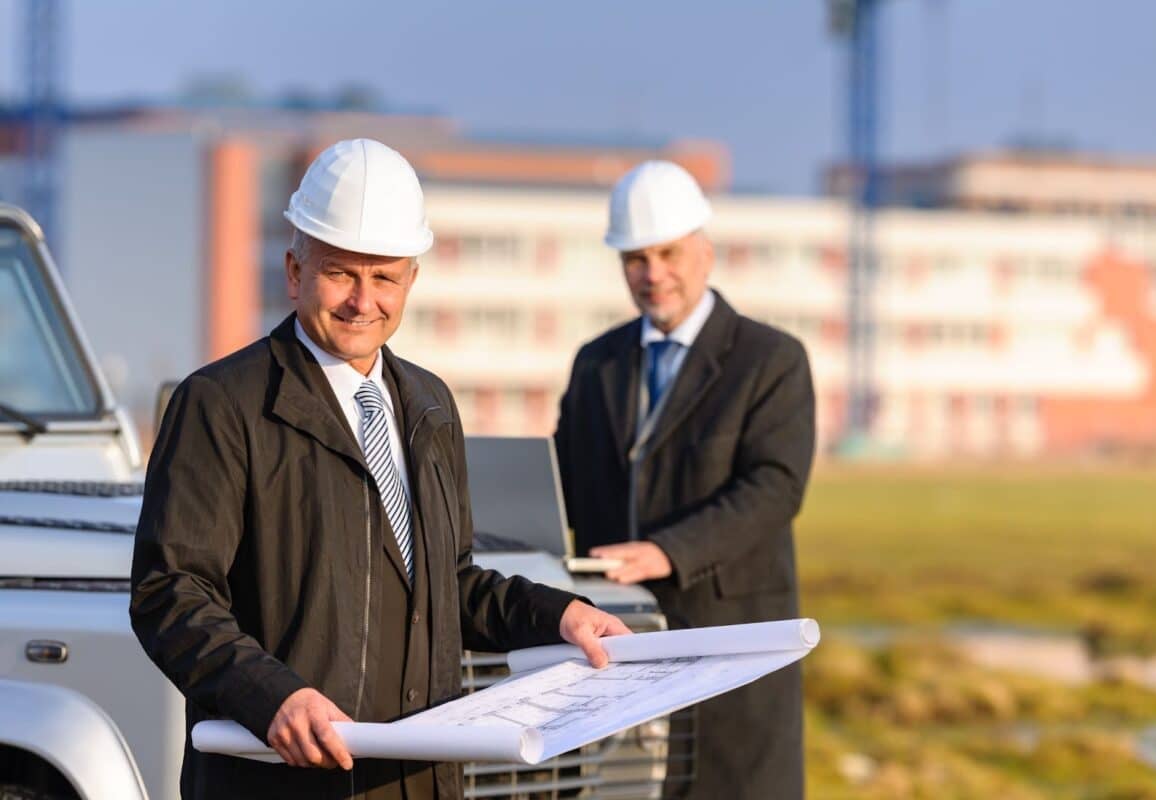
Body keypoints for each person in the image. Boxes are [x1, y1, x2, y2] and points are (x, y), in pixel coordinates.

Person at [130, 138, 629, 800]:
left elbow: (446, 587)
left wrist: (558, 613)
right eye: (340, 272)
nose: (363, 301)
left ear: (412, 281)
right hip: (285, 780)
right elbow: (172, 593)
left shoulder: (430, 406)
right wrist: (270, 696)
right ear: (293, 270)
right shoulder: (223, 405)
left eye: (385, 277)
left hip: (417, 779)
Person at [554, 161, 816, 799]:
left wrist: (670, 551)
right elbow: (561, 477)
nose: (653, 274)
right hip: (621, 646)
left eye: (668, 253)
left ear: (705, 250)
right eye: (635, 258)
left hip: (730, 645)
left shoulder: (770, 361)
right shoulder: (597, 363)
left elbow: (775, 486)